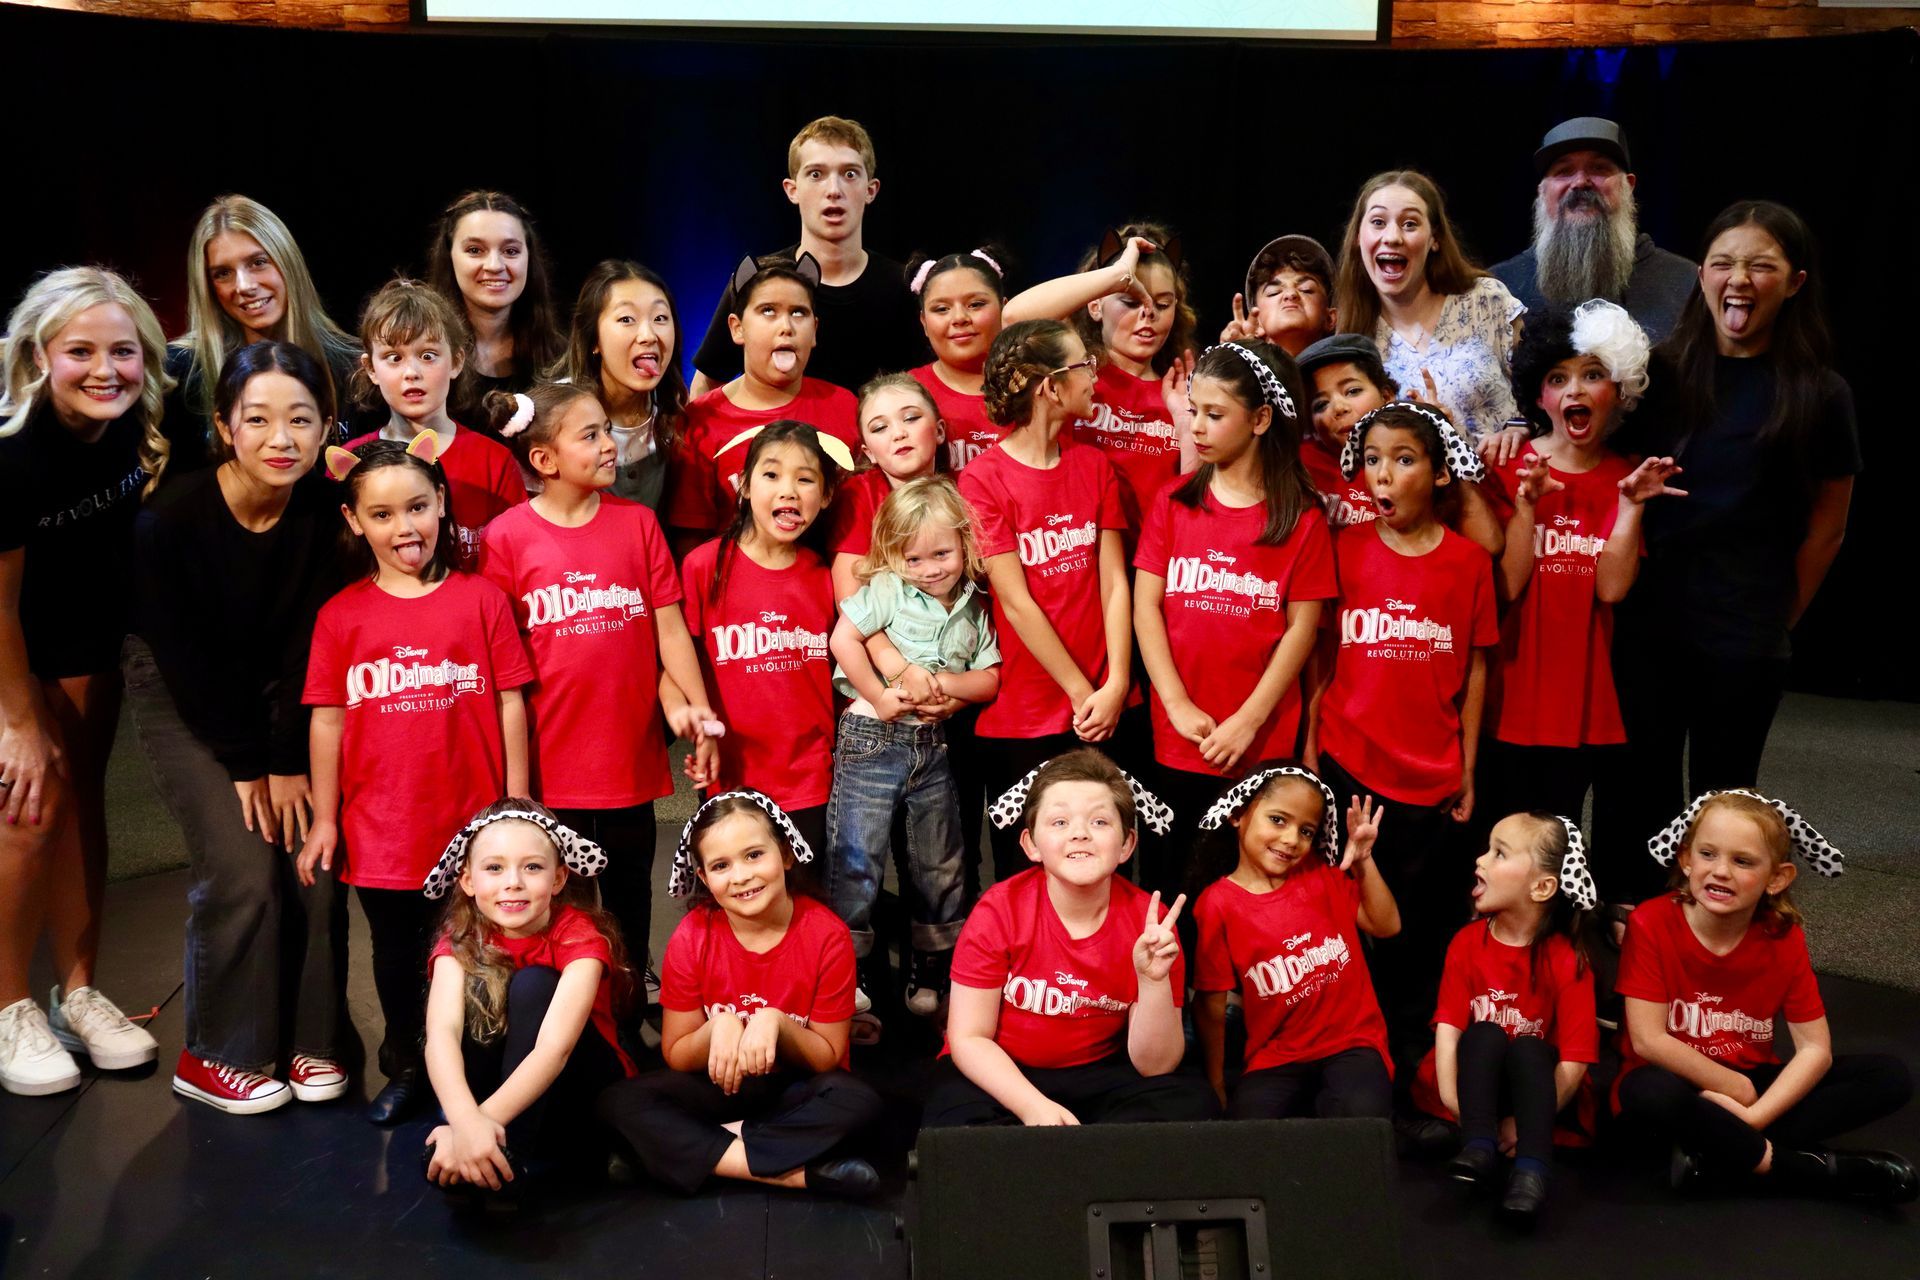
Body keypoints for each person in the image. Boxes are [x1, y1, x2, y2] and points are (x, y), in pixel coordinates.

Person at [127, 341, 349, 1114]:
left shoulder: (324, 515)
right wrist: (251, 763)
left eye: (301, 419)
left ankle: (312, 1039)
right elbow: (189, 663)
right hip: (185, 694)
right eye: (258, 420)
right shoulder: (169, 522)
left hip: (279, 699)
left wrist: (288, 758)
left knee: (316, 850)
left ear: (325, 429)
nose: (281, 438)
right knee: (245, 867)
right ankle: (216, 1051)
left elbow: (307, 653)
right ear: (225, 426)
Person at [1607, 202, 1860, 871]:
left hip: (1745, 634)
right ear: (1702, 275)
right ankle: (1638, 941)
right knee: (1641, 793)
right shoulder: (1657, 376)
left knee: (1724, 803)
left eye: (1761, 266)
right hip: (1648, 628)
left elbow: (1829, 525)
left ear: (1795, 281)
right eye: (1722, 263)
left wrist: (1779, 617)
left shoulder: (1819, 392)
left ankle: (1712, 944)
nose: (1738, 279)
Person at [300, 433, 534, 1125]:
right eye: (382, 514)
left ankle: (484, 1071)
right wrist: (325, 818)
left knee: (482, 953)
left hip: (474, 828)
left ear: (442, 505)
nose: (405, 528)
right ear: (353, 520)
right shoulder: (340, 616)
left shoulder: (482, 600)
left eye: (419, 507)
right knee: (399, 959)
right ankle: (409, 1065)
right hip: (384, 832)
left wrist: (516, 807)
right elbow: (328, 723)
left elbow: (509, 702)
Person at [478, 381, 714, 983]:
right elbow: (501, 669)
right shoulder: (506, 538)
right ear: (544, 459)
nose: (609, 445)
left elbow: (669, 630)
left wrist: (702, 712)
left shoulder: (637, 525)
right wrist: (515, 785)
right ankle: (577, 1022)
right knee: (567, 915)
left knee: (632, 901)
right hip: (553, 766)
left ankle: (632, 1003)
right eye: (591, 435)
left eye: (607, 431)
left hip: (628, 761)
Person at [0, 267, 170, 1095]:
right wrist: (17, 717)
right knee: (29, 813)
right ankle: (8, 1011)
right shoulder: (12, 454)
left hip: (85, 647)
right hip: (10, 652)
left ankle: (77, 994)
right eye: (80, 352)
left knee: (80, 808)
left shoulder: (139, 424)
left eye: (123, 351)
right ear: (39, 356)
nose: (105, 369)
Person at [1306, 403, 1499, 1059]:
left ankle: (1414, 1057)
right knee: (1349, 917)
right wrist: (1311, 747)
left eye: (1405, 460)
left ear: (1441, 473)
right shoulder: (1345, 548)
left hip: (1432, 783)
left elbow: (1475, 670)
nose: (1383, 476)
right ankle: (1348, 1047)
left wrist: (1468, 767)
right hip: (1350, 768)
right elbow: (1321, 656)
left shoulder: (1470, 563)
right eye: (1374, 461)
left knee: (1419, 931)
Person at [1617, 790, 1915, 1204]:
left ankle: (1722, 1154)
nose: (1721, 871)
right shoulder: (1651, 922)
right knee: (1644, 1091)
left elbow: (1814, 1049)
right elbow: (1648, 1040)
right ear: (1686, 860)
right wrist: (1733, 1087)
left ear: (1777, 878)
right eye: (1708, 854)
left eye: (1742, 862)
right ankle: (1804, 1169)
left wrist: (1755, 1113)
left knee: (1888, 1076)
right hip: (1681, 1084)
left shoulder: (1782, 935)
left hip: (1750, 1086)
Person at [1483, 301, 1683, 894]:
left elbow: (1612, 588)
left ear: (1618, 392)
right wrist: (1525, 504)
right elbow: (1508, 585)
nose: (1576, 388)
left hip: (1578, 697)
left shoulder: (1626, 474)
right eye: (1558, 377)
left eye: (1593, 375)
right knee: (1499, 832)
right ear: (1539, 396)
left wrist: (1628, 508)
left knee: (1559, 838)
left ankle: (1555, 951)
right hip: (1510, 687)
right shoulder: (1510, 469)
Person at [598, 791, 885, 1199]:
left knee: (860, 1103)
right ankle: (793, 1173)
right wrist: (721, 1027)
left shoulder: (827, 935)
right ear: (703, 877)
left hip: (795, 1089)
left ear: (785, 855)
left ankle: (695, 1151)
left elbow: (828, 1057)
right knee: (618, 1103)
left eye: (754, 855)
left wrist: (775, 1023)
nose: (741, 876)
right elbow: (677, 1052)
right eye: (721, 865)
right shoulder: (692, 936)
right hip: (719, 1087)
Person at [1132, 340, 1335, 896]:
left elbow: (1302, 630)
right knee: (1170, 884)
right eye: (1193, 411)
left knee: (1244, 890)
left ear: (1261, 418)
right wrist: (1173, 701)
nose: (1196, 426)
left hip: (1259, 741)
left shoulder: (1302, 518)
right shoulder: (1173, 501)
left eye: (1214, 414)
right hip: (1177, 737)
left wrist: (1248, 720)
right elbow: (1145, 605)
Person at [922, 750, 1215, 1126]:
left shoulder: (1153, 923)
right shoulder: (998, 910)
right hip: (1005, 1068)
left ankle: (1069, 1161)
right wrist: (1033, 1107)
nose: (1080, 833)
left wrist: (1152, 980)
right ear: (1031, 845)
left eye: (1099, 821)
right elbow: (968, 1037)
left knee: (1192, 1103)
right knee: (951, 1117)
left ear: (1126, 844)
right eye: (1059, 821)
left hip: (1098, 1074)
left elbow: (1155, 1065)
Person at [957, 322, 1131, 880]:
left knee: (1105, 862)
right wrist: (1082, 693)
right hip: (1028, 714)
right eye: (1084, 364)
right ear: (1050, 387)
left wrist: (1117, 685)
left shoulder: (1095, 466)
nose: (1094, 376)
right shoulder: (983, 479)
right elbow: (1015, 601)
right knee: (1028, 871)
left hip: (1104, 705)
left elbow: (1114, 583)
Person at [826, 476, 1000, 1019]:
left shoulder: (974, 607)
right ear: (892, 556)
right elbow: (843, 639)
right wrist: (879, 697)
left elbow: (989, 679)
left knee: (940, 862)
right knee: (857, 858)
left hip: (934, 745)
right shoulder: (887, 589)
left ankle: (933, 968)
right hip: (872, 737)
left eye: (942, 553)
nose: (930, 569)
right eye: (914, 558)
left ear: (964, 545)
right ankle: (847, 973)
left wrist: (945, 688)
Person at [420, 800, 636, 1207]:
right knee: (478, 990)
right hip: (500, 1103)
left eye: (532, 867)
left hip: (579, 1095)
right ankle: (480, 1150)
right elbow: (441, 1037)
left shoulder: (579, 937)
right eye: (494, 868)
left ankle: (504, 1160)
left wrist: (476, 1127)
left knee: (534, 984)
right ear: (467, 880)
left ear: (558, 879)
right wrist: (464, 1121)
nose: (513, 882)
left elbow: (556, 1050)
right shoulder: (461, 939)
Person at [1412, 813, 1601, 1221]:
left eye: (1499, 853)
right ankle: (1478, 1145)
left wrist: (1529, 1122)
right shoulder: (1466, 942)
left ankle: (1532, 1168)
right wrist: (1455, 1104)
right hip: (1475, 1091)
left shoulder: (1567, 959)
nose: (1480, 860)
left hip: (1534, 1093)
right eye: (1487, 848)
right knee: (1484, 1034)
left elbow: (1576, 1058)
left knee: (1530, 1049)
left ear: (1543, 886)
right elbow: (1449, 1030)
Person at [679, 422, 847, 857]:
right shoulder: (703, 566)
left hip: (812, 781)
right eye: (771, 475)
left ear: (825, 496)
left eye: (805, 478)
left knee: (807, 902)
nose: (788, 491)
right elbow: (672, 668)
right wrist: (698, 727)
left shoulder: (825, 575)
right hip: (731, 778)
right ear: (745, 487)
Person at [1191, 768, 1395, 1122]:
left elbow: (1385, 924)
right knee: (1252, 1133)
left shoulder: (1318, 873)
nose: (1291, 839)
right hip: (1276, 1055)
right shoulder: (1216, 904)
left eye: (1306, 831)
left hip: (1352, 1043)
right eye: (1278, 820)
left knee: (1360, 1121)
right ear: (1238, 815)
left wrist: (1363, 861)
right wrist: (1216, 1083)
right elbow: (1211, 1005)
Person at [689, 116, 918, 397]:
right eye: (816, 174)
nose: (834, 191)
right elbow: (706, 384)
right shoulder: (758, 280)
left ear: (870, 190)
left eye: (849, 174)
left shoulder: (904, 285)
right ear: (792, 190)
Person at [1002, 227, 1196, 531]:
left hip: (1152, 569)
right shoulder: (1070, 377)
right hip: (1073, 560)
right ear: (1095, 306)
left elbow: (1196, 501)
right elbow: (1013, 318)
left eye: (1162, 304)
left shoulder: (1182, 393)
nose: (1148, 313)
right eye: (1131, 301)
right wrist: (1116, 276)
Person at [665, 256, 860, 550]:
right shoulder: (701, 420)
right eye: (768, 311)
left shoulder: (845, 406)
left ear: (815, 329)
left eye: (798, 313)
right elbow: (691, 542)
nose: (786, 326)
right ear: (737, 328)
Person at [165, 195, 361, 472]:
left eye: (258, 262)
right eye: (223, 273)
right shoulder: (180, 370)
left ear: (287, 263)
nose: (244, 285)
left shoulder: (355, 366)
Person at [1334, 171, 1527, 444]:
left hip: (1513, 480)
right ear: (1357, 237)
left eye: (1410, 224)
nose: (1392, 237)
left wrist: (1521, 425)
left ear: (1434, 239)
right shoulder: (1353, 339)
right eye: (1378, 222)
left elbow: (1545, 386)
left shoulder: (1485, 299)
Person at [345, 279, 523, 566]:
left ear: (456, 361)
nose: (411, 372)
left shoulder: (494, 462)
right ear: (370, 368)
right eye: (394, 358)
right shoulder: (351, 462)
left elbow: (518, 558)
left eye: (428, 356)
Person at [1491, 118, 1697, 344]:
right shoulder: (1499, 289)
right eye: (1563, 171)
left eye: (1599, 168)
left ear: (1629, 186)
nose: (1580, 182)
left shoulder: (1686, 284)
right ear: (1542, 191)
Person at [553, 260, 687, 509]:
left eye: (660, 318)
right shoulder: (554, 414)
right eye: (626, 319)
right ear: (594, 339)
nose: (648, 335)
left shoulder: (677, 418)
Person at [423, 190, 564, 416]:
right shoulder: (422, 356)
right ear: (450, 257)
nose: (494, 265)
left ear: (529, 258)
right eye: (475, 250)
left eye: (510, 251)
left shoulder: (560, 360)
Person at [908, 249, 1010, 471]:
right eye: (942, 309)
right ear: (924, 322)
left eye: (975, 304)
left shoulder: (1032, 386)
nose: (959, 318)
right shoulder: (905, 394)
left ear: (1004, 307)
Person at [1296, 332, 1397, 531]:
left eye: (1352, 391)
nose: (1338, 408)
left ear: (1386, 396)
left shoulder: (1417, 460)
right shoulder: (1300, 467)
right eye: (1321, 404)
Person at [1218, 235, 1339, 357]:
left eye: (1306, 289)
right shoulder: (1242, 371)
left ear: (1330, 318)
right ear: (1257, 324)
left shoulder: (1349, 369)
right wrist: (1234, 361)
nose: (1290, 294)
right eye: (1274, 292)